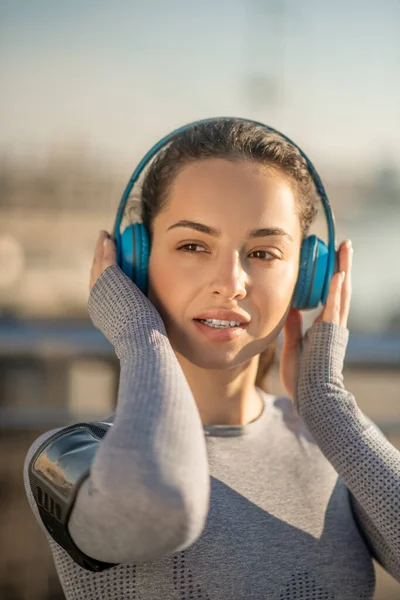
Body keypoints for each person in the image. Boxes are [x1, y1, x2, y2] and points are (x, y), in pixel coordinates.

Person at [24, 119, 400, 599]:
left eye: (264, 253)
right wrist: (139, 336)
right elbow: (160, 506)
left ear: (307, 278)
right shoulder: (69, 456)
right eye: (194, 246)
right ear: (135, 264)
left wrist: (326, 403)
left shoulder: (333, 442)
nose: (232, 281)